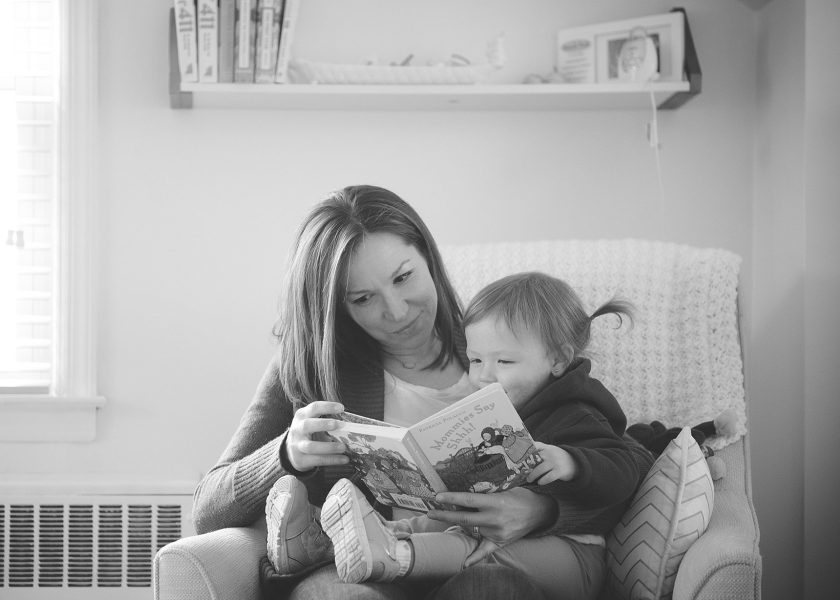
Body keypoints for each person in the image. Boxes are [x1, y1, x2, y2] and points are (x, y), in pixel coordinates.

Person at [193, 185, 653, 600]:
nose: (396, 311)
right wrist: (285, 455)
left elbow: (618, 470)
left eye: (402, 277)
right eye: (362, 298)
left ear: (428, 259)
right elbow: (208, 510)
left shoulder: (502, 344)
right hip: (368, 576)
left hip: (484, 567)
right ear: (337, 308)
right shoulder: (309, 368)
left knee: (490, 587)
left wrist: (543, 511)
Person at [308, 272, 642, 600]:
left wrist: (573, 462)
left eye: (505, 361)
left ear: (559, 359)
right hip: (502, 538)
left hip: (570, 554)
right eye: (475, 359)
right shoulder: (507, 408)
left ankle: (396, 556)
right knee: (441, 518)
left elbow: (625, 471)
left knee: (476, 552)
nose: (484, 375)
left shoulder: (577, 410)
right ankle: (332, 543)